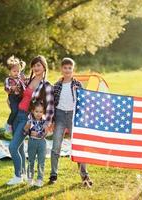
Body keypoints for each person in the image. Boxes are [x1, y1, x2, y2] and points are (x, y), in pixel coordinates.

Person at [7, 55, 54, 185]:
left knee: (13, 147)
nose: (35, 67)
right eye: (34, 65)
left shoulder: (47, 86)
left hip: (27, 119)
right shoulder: (28, 80)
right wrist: (10, 97)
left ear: (44, 67)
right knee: (20, 148)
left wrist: (47, 123)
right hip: (17, 116)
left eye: (38, 65)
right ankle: (21, 175)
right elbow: (17, 90)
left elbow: (50, 106)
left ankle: (17, 176)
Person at [49, 57, 93, 187]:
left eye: (70, 68)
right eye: (65, 68)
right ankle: (53, 174)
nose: (67, 70)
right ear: (61, 69)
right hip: (60, 116)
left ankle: (84, 175)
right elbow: (52, 104)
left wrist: (84, 118)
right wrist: (52, 120)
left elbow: (84, 102)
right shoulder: (56, 85)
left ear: (73, 70)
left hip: (74, 116)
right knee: (56, 146)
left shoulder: (77, 84)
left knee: (79, 145)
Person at [23, 99, 47, 187]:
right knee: (31, 161)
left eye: (41, 112)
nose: (38, 113)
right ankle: (30, 178)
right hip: (32, 142)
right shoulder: (30, 121)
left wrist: (39, 134)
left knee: (41, 161)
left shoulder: (44, 121)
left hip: (41, 143)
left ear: (43, 112)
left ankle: (40, 179)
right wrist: (27, 129)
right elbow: (24, 132)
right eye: (36, 111)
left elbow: (45, 133)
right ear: (33, 111)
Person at [4, 55, 26, 133]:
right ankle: (8, 124)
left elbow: (25, 87)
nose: (16, 73)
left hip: (20, 97)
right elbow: (6, 88)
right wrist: (11, 88)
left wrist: (23, 82)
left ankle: (16, 127)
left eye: (18, 71)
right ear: (10, 71)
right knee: (14, 111)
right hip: (13, 97)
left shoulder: (20, 79)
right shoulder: (8, 80)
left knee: (20, 113)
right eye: (14, 71)